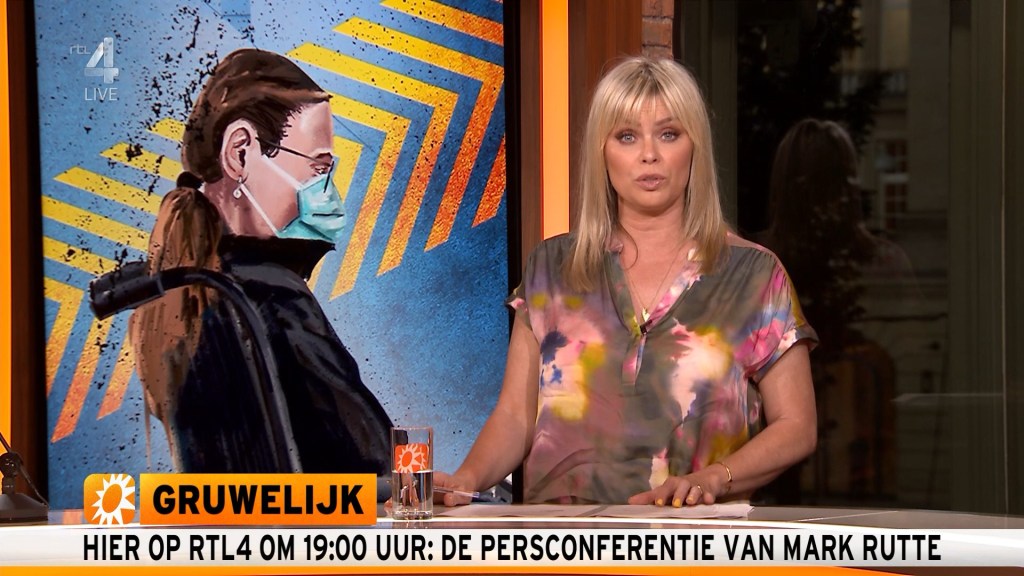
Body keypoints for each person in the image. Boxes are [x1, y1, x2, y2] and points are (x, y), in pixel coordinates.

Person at [436, 56, 818, 506]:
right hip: (563, 541)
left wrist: (716, 478)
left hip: (695, 540)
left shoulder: (754, 274)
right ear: (602, 152)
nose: (648, 154)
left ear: (694, 147)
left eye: (669, 134)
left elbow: (797, 426)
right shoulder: (552, 267)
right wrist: (466, 479)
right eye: (627, 136)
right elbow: (516, 417)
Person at [127, 48, 393, 474]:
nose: (328, 192)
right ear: (241, 153)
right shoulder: (270, 296)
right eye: (318, 168)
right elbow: (374, 461)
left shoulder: (187, 295)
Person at [762, 119, 916, 502]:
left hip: (866, 477)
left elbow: (912, 370)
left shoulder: (884, 264)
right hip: (782, 479)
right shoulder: (757, 269)